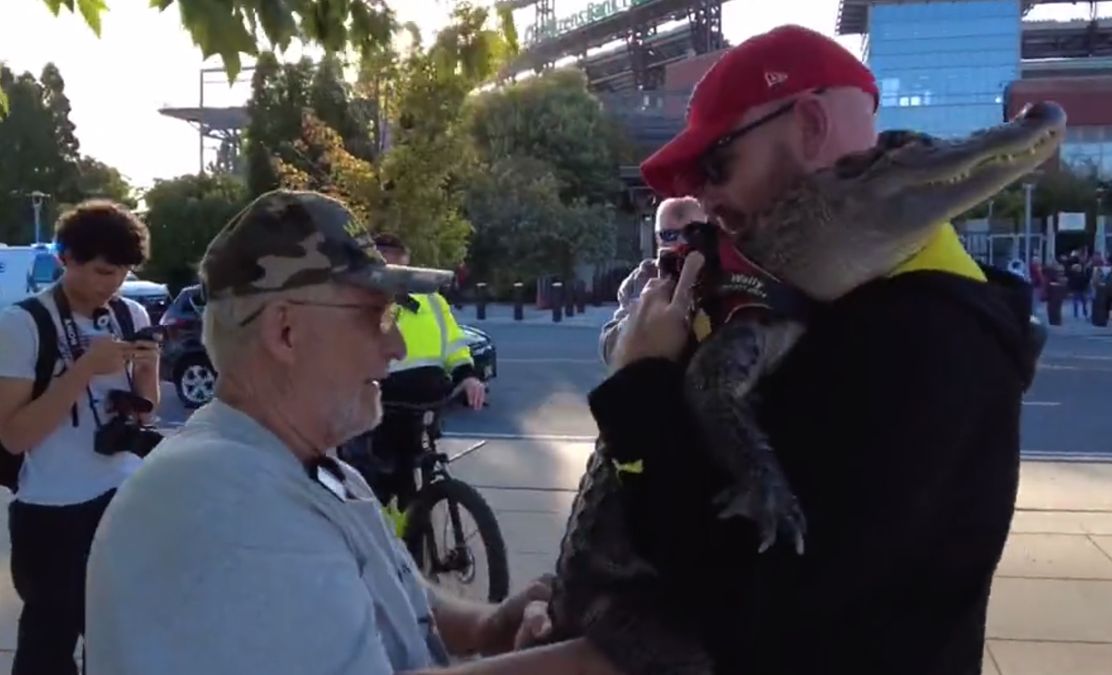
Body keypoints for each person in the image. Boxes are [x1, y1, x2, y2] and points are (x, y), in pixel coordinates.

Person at [596, 25, 1038, 674]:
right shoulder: (821, 300)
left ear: (806, 124)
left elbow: (746, 612)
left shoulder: (917, 341)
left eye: (718, 165)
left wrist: (640, 388)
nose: (703, 200)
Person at [84, 190, 619, 675]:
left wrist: (484, 628)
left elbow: (387, 589)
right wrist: (603, 661)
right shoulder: (222, 502)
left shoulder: (301, 466)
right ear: (286, 332)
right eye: (374, 317)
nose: (397, 348)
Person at [0, 200, 159, 675]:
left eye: (122, 274)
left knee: (121, 644)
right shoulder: (24, 324)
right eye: (102, 271)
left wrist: (148, 371)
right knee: (46, 651)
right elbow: (12, 436)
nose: (110, 285)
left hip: (123, 500)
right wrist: (83, 369)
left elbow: (144, 416)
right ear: (65, 257)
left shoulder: (129, 314)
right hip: (52, 510)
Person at [355, 233, 487, 506]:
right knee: (374, 483)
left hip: (426, 398)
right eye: (386, 268)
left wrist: (468, 377)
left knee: (405, 480)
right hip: (382, 403)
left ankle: (409, 528)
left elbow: (454, 344)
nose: (396, 277)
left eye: (401, 269)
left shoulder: (432, 300)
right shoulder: (360, 301)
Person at [599, 196, 706, 365]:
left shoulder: (721, 276)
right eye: (670, 235)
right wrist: (641, 312)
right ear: (657, 239)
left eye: (692, 234)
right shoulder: (641, 279)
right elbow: (609, 349)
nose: (681, 243)